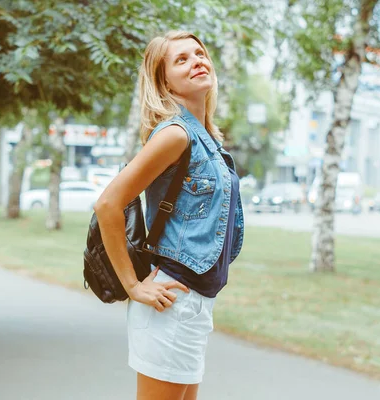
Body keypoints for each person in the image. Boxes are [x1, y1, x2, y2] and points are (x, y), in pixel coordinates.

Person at [93, 30, 244, 400]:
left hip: (192, 302)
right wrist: (133, 285)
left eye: (199, 53)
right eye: (182, 59)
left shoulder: (205, 137)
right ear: (165, 83)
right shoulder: (176, 135)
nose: (197, 61)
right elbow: (108, 204)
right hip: (171, 301)